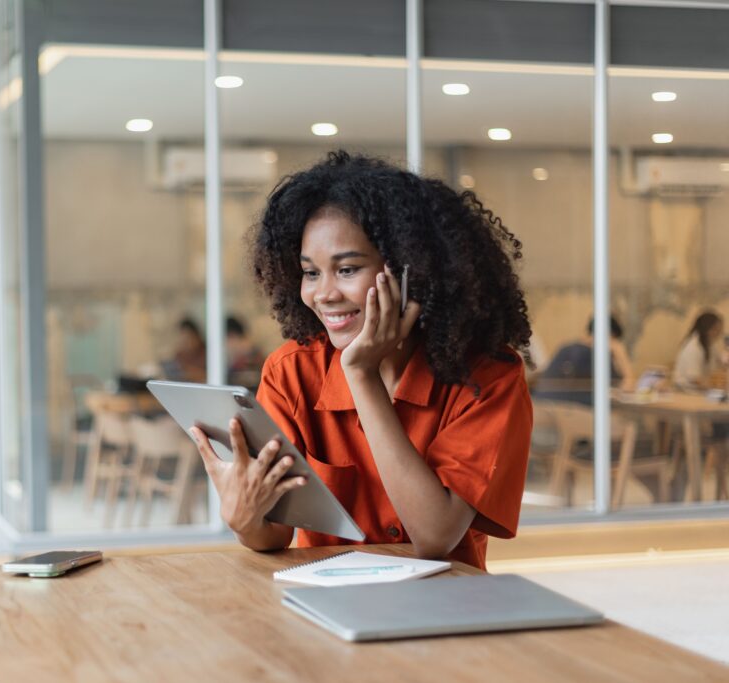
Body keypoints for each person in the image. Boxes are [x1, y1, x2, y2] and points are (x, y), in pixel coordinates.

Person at [188, 151, 533, 570]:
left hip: (443, 612)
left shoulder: (487, 377)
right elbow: (274, 533)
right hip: (322, 606)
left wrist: (360, 374)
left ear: (412, 272)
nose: (324, 294)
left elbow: (435, 536)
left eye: (347, 269)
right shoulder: (291, 372)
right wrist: (244, 518)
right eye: (311, 273)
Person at [532, 316, 636, 406]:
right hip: (572, 416)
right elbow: (627, 389)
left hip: (545, 412)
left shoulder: (566, 348)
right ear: (610, 337)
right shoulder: (594, 356)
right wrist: (621, 355)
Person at [673, 311, 725, 391]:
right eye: (715, 329)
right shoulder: (693, 347)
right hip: (686, 393)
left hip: (700, 391)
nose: (718, 333)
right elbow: (695, 379)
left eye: (719, 330)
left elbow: (720, 362)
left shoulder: (709, 345)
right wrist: (715, 387)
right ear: (706, 329)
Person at [225, 315, 265, 390]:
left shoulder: (252, 356)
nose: (225, 345)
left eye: (226, 339)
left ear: (232, 335)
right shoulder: (239, 356)